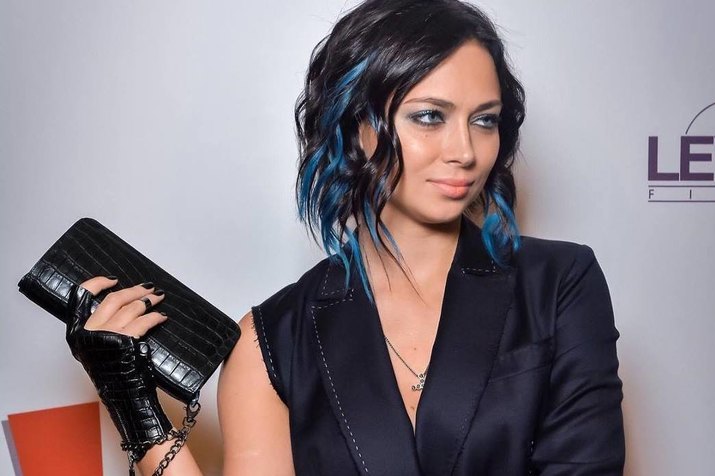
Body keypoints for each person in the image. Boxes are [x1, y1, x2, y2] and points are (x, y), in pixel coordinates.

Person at [65, 0, 626, 474]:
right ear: (355, 126)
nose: (465, 150)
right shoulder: (271, 341)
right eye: (430, 116)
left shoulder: (560, 284)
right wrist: (134, 405)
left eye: (484, 119)